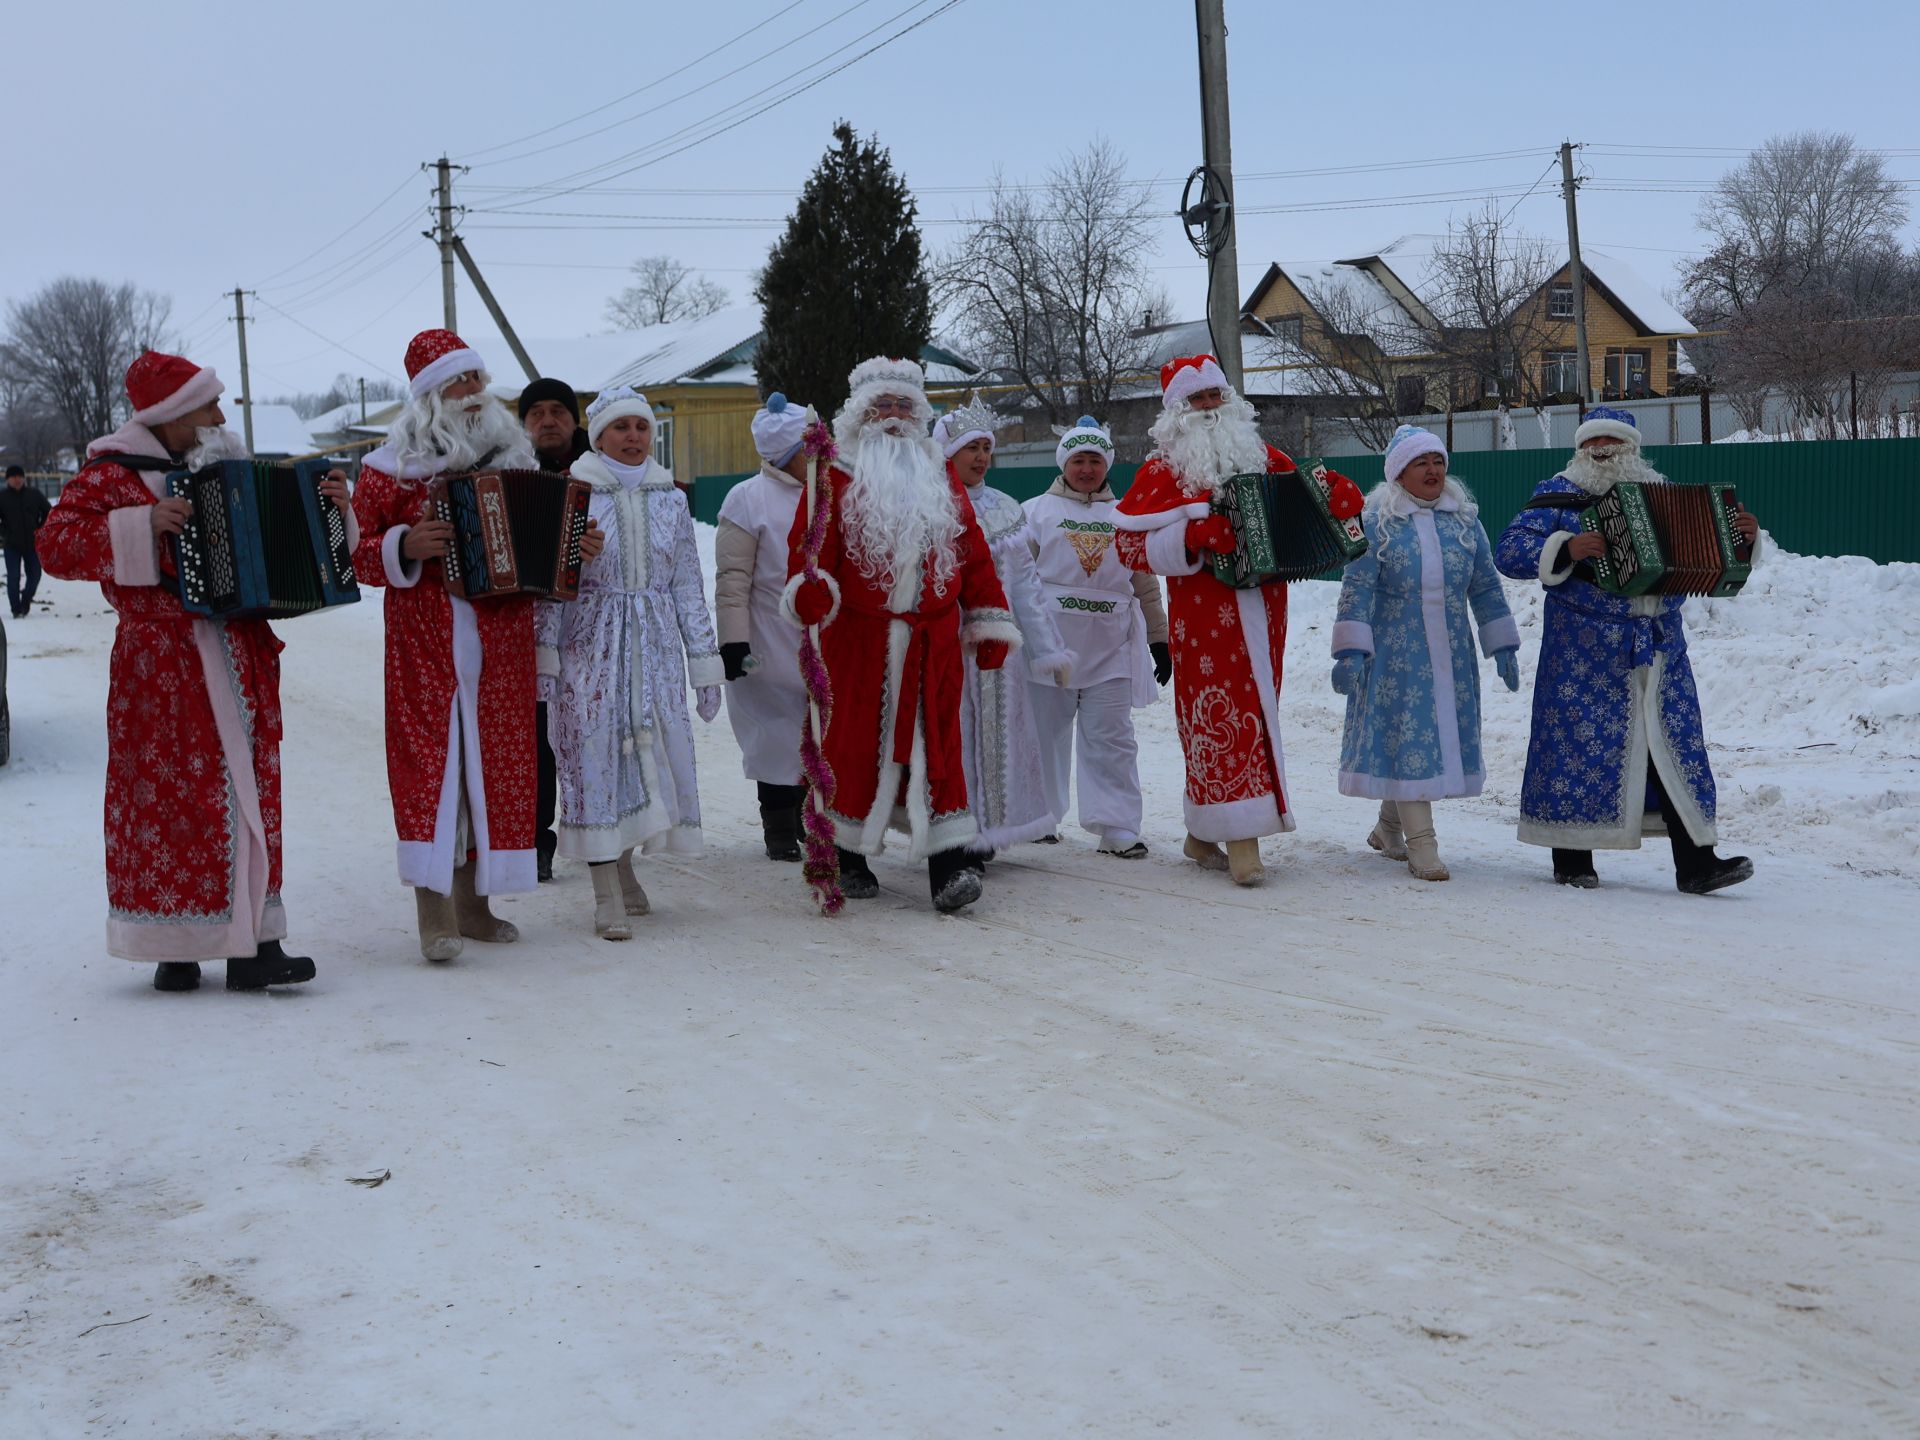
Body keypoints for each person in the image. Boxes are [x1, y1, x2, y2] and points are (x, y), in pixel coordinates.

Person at [36, 351, 347, 991]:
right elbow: (55, 548)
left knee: (247, 795)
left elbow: (281, 553)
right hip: (159, 665)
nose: (219, 415)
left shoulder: (221, 471)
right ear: (171, 415)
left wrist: (331, 514)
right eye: (208, 404)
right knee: (164, 800)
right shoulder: (111, 476)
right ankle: (172, 943)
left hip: (235, 653)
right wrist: (139, 526)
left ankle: (255, 945)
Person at [351, 328, 603, 961]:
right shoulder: (388, 472)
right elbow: (351, 556)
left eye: (477, 380)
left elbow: (542, 557)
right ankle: (433, 910)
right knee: (432, 769)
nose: (474, 392)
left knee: (492, 768)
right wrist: (401, 547)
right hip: (425, 640)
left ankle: (475, 904)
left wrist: (573, 551)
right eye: (460, 381)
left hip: (502, 640)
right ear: (429, 394)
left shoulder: (514, 459)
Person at [782, 356, 1021, 914]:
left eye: (903, 406)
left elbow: (973, 555)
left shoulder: (939, 474)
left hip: (933, 642)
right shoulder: (833, 475)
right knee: (853, 745)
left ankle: (949, 864)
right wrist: (808, 590)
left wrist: (987, 616)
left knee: (939, 748)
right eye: (881, 406)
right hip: (859, 643)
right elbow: (808, 552)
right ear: (860, 415)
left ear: (918, 415)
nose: (892, 417)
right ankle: (847, 854)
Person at [1114, 354, 1362, 885]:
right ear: (1175, 411)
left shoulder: (1265, 456)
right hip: (1203, 617)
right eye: (1196, 399)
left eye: (1214, 396)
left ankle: (1205, 834)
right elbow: (1127, 544)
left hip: (1265, 613)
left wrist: (1339, 501)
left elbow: (1307, 500)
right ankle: (1239, 837)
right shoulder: (1162, 471)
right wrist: (1189, 539)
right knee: (1217, 716)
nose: (1208, 408)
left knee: (1257, 707)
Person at [1494, 405, 1759, 894]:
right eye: (1594, 444)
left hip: (1659, 647)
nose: (1604, 452)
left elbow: (1710, 558)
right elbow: (1508, 551)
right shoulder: (1558, 498)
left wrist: (1741, 540)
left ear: (1633, 450)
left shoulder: (1661, 496)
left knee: (1672, 748)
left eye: (1614, 444)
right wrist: (1565, 548)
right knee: (1576, 750)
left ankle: (1698, 862)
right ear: (1580, 450)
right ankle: (1572, 857)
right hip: (1581, 654)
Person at [536, 387, 723, 940]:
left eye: (641, 428)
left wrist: (702, 662)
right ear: (597, 437)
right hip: (590, 647)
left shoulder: (671, 498)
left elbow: (688, 583)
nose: (634, 438)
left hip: (655, 646)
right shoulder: (573, 495)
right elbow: (546, 589)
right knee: (594, 756)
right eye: (621, 428)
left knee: (645, 758)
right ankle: (604, 891)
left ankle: (623, 863)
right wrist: (546, 657)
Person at [1331, 426, 1520, 881]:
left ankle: (1388, 827)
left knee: (1421, 741)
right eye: (1422, 462)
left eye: (1437, 461)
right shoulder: (1376, 521)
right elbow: (1356, 587)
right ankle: (1423, 844)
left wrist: (1502, 644)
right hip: (1397, 655)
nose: (1433, 470)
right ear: (1399, 473)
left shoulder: (1464, 521)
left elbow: (1485, 585)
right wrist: (1350, 651)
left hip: (1452, 651)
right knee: (1412, 740)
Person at [1022, 416, 1170, 858]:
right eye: (1078, 460)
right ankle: (1038, 817)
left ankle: (1117, 825)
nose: (1086, 468)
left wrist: (1158, 638)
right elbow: (1015, 578)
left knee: (1112, 736)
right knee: (1044, 733)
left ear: (1107, 463)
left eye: (1095, 460)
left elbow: (1144, 581)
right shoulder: (1034, 512)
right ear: (1063, 462)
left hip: (1112, 646)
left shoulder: (1126, 517)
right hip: (1048, 644)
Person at [935, 394, 1070, 863]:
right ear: (948, 453)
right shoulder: (932, 505)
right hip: (947, 647)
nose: (981, 458)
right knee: (954, 738)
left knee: (1001, 740)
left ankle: (991, 828)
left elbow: (1028, 590)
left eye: (986, 449)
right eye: (972, 448)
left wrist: (1047, 648)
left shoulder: (1005, 508)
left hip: (999, 652)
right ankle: (955, 830)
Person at [715, 393, 812, 860]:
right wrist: (734, 643)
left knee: (818, 733)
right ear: (785, 453)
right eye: (807, 449)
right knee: (775, 735)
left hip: (821, 636)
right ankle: (777, 826)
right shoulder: (747, 498)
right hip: (768, 638)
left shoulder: (830, 493)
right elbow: (733, 581)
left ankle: (806, 818)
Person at [517, 377, 591, 882]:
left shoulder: (599, 473)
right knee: (537, 739)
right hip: (528, 630)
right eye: (537, 412)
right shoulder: (508, 472)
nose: (547, 421)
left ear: (575, 419)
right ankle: (536, 840)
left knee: (592, 737)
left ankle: (600, 835)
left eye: (558, 411)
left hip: (593, 630)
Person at [1, 465, 52, 618]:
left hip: (32, 543)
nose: (17, 480)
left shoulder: (34, 494)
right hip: (11, 545)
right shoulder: (2, 497)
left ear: (23, 478)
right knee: (14, 576)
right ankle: (16, 609)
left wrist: (40, 528)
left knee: (35, 575)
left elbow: (49, 511)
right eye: (13, 477)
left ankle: (26, 601)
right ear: (8, 479)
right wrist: (4, 532)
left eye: (19, 477)